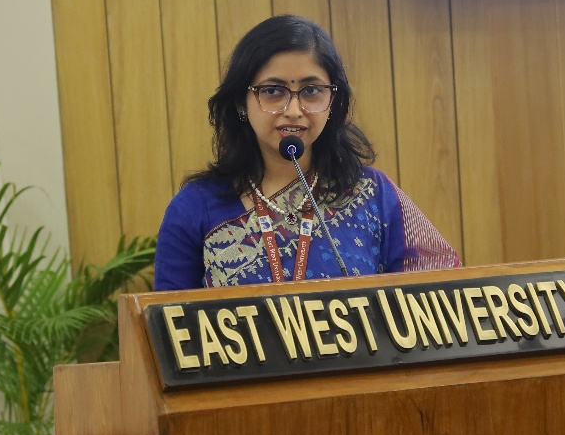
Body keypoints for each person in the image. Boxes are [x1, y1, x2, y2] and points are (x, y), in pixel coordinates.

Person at [154, 15, 460, 290]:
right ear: (239, 104)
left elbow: (439, 294)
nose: (294, 110)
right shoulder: (195, 208)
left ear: (332, 101)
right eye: (272, 91)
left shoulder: (372, 195)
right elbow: (166, 322)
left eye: (311, 91)